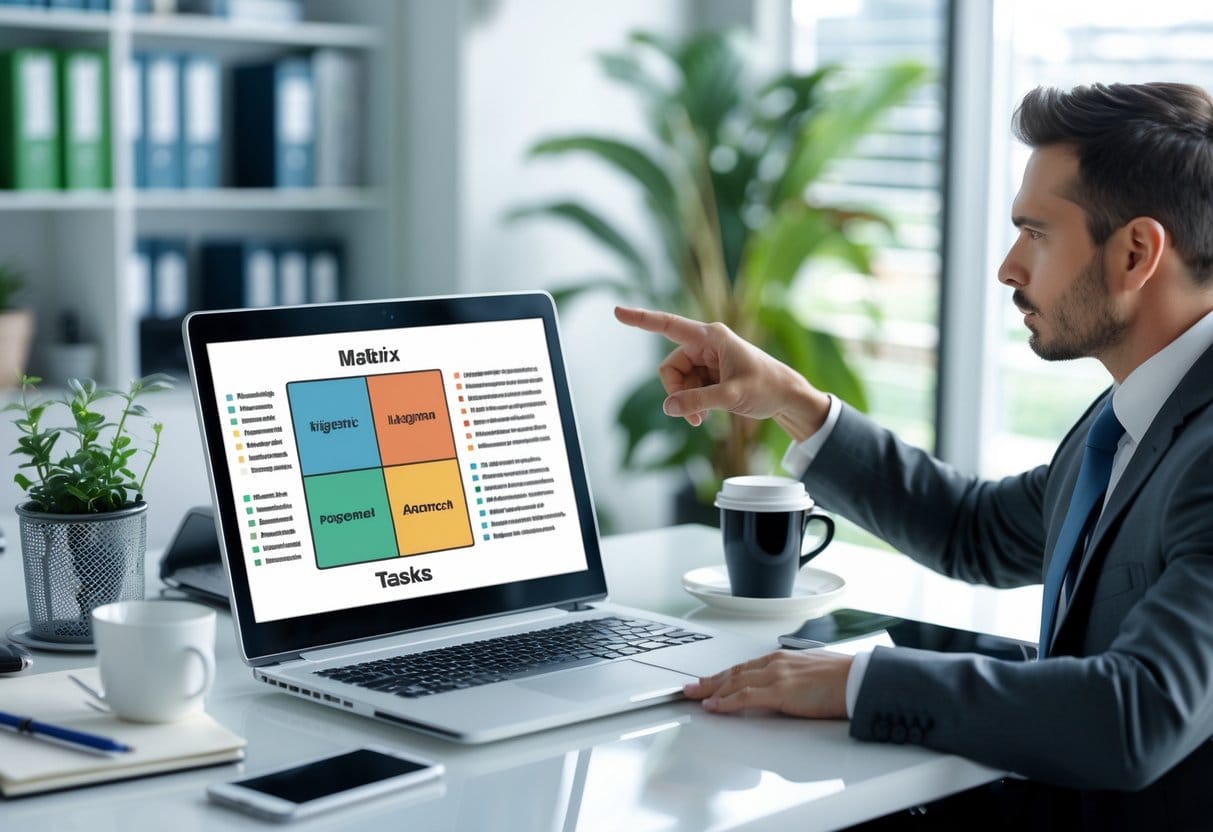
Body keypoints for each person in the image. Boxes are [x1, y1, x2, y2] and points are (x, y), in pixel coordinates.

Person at [616, 82, 1213, 829]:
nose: (1007, 268)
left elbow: (1139, 712)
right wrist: (792, 400)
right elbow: (979, 531)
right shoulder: (1138, 413)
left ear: (1135, 253)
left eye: (1035, 234)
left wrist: (856, 683)